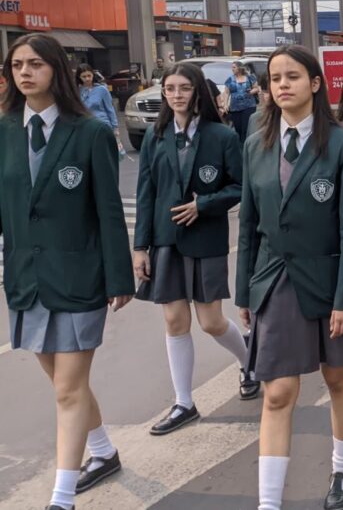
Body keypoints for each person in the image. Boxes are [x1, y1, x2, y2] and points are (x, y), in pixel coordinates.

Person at [0, 33, 135, 509]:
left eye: (35, 63)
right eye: (17, 65)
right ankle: (102, 450)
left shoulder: (91, 133)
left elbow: (108, 211)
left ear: (56, 70)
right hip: (26, 280)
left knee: (66, 388)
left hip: (79, 277)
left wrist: (120, 278)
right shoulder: (4, 132)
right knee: (63, 381)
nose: (25, 72)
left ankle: (61, 498)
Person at [236, 45, 343, 510]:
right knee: (278, 391)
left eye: (292, 76)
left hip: (331, 280)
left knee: (338, 378)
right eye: (275, 79)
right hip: (276, 281)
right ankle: (269, 502)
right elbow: (249, 226)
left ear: (315, 84)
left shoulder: (342, 144)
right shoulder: (256, 144)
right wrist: (244, 294)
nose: (282, 85)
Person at [134, 62, 258, 438]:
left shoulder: (221, 136)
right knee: (174, 320)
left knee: (211, 322)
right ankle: (183, 402)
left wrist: (203, 205)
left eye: (183, 88)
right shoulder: (155, 139)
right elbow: (145, 194)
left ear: (197, 92)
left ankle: (248, 361)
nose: (176, 95)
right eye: (170, 89)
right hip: (165, 240)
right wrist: (140, 246)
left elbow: (241, 187)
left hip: (206, 238)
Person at [76, 64, 121, 152]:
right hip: (85, 127)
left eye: (89, 75)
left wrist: (115, 128)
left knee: (103, 152)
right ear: (79, 77)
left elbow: (110, 109)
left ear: (93, 75)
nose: (87, 79)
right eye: (84, 76)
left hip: (102, 125)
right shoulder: (77, 91)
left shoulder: (102, 89)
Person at [224, 60, 260, 143]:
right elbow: (226, 93)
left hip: (249, 106)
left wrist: (251, 92)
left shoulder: (249, 78)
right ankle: (240, 143)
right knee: (238, 128)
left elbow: (257, 88)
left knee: (245, 128)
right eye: (232, 67)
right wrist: (225, 104)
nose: (232, 69)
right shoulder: (230, 79)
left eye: (234, 67)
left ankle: (245, 145)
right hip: (235, 107)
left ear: (239, 68)